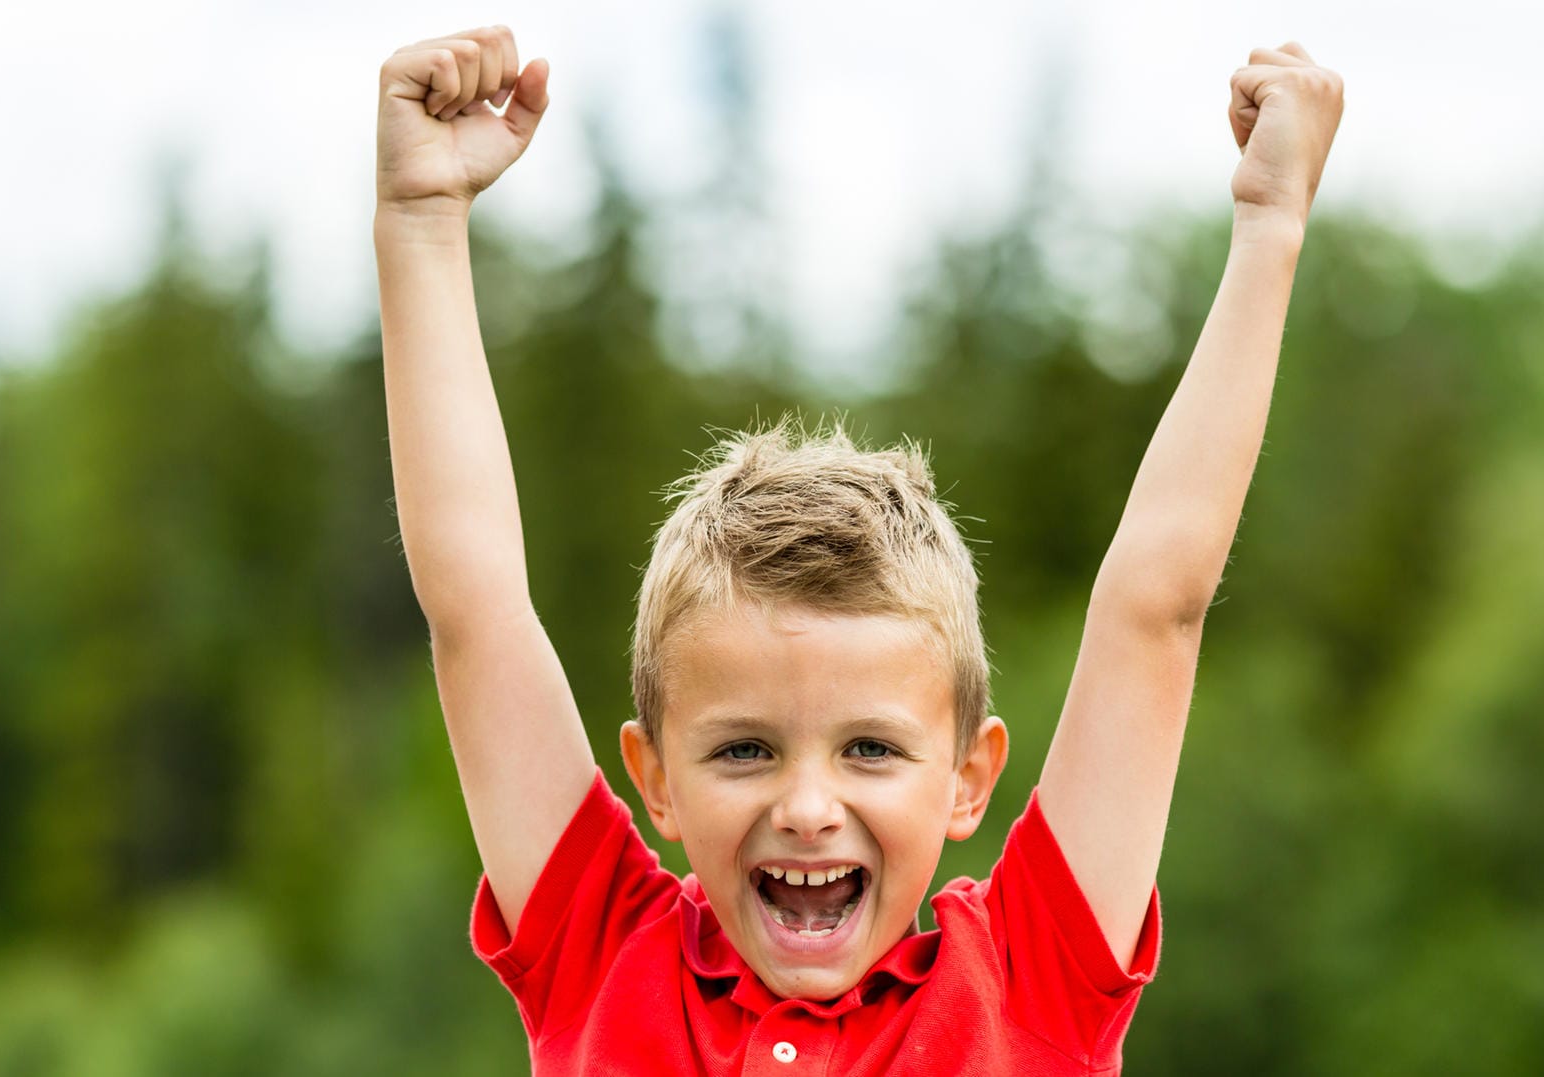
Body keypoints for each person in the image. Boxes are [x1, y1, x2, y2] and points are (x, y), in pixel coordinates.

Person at [372, 24, 1343, 1075]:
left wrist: (1268, 228)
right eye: (743, 749)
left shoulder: (1031, 981)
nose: (805, 809)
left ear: (969, 777)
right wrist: (421, 222)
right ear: (654, 778)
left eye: (870, 749)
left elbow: (1155, 606)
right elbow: (475, 606)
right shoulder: (605, 956)